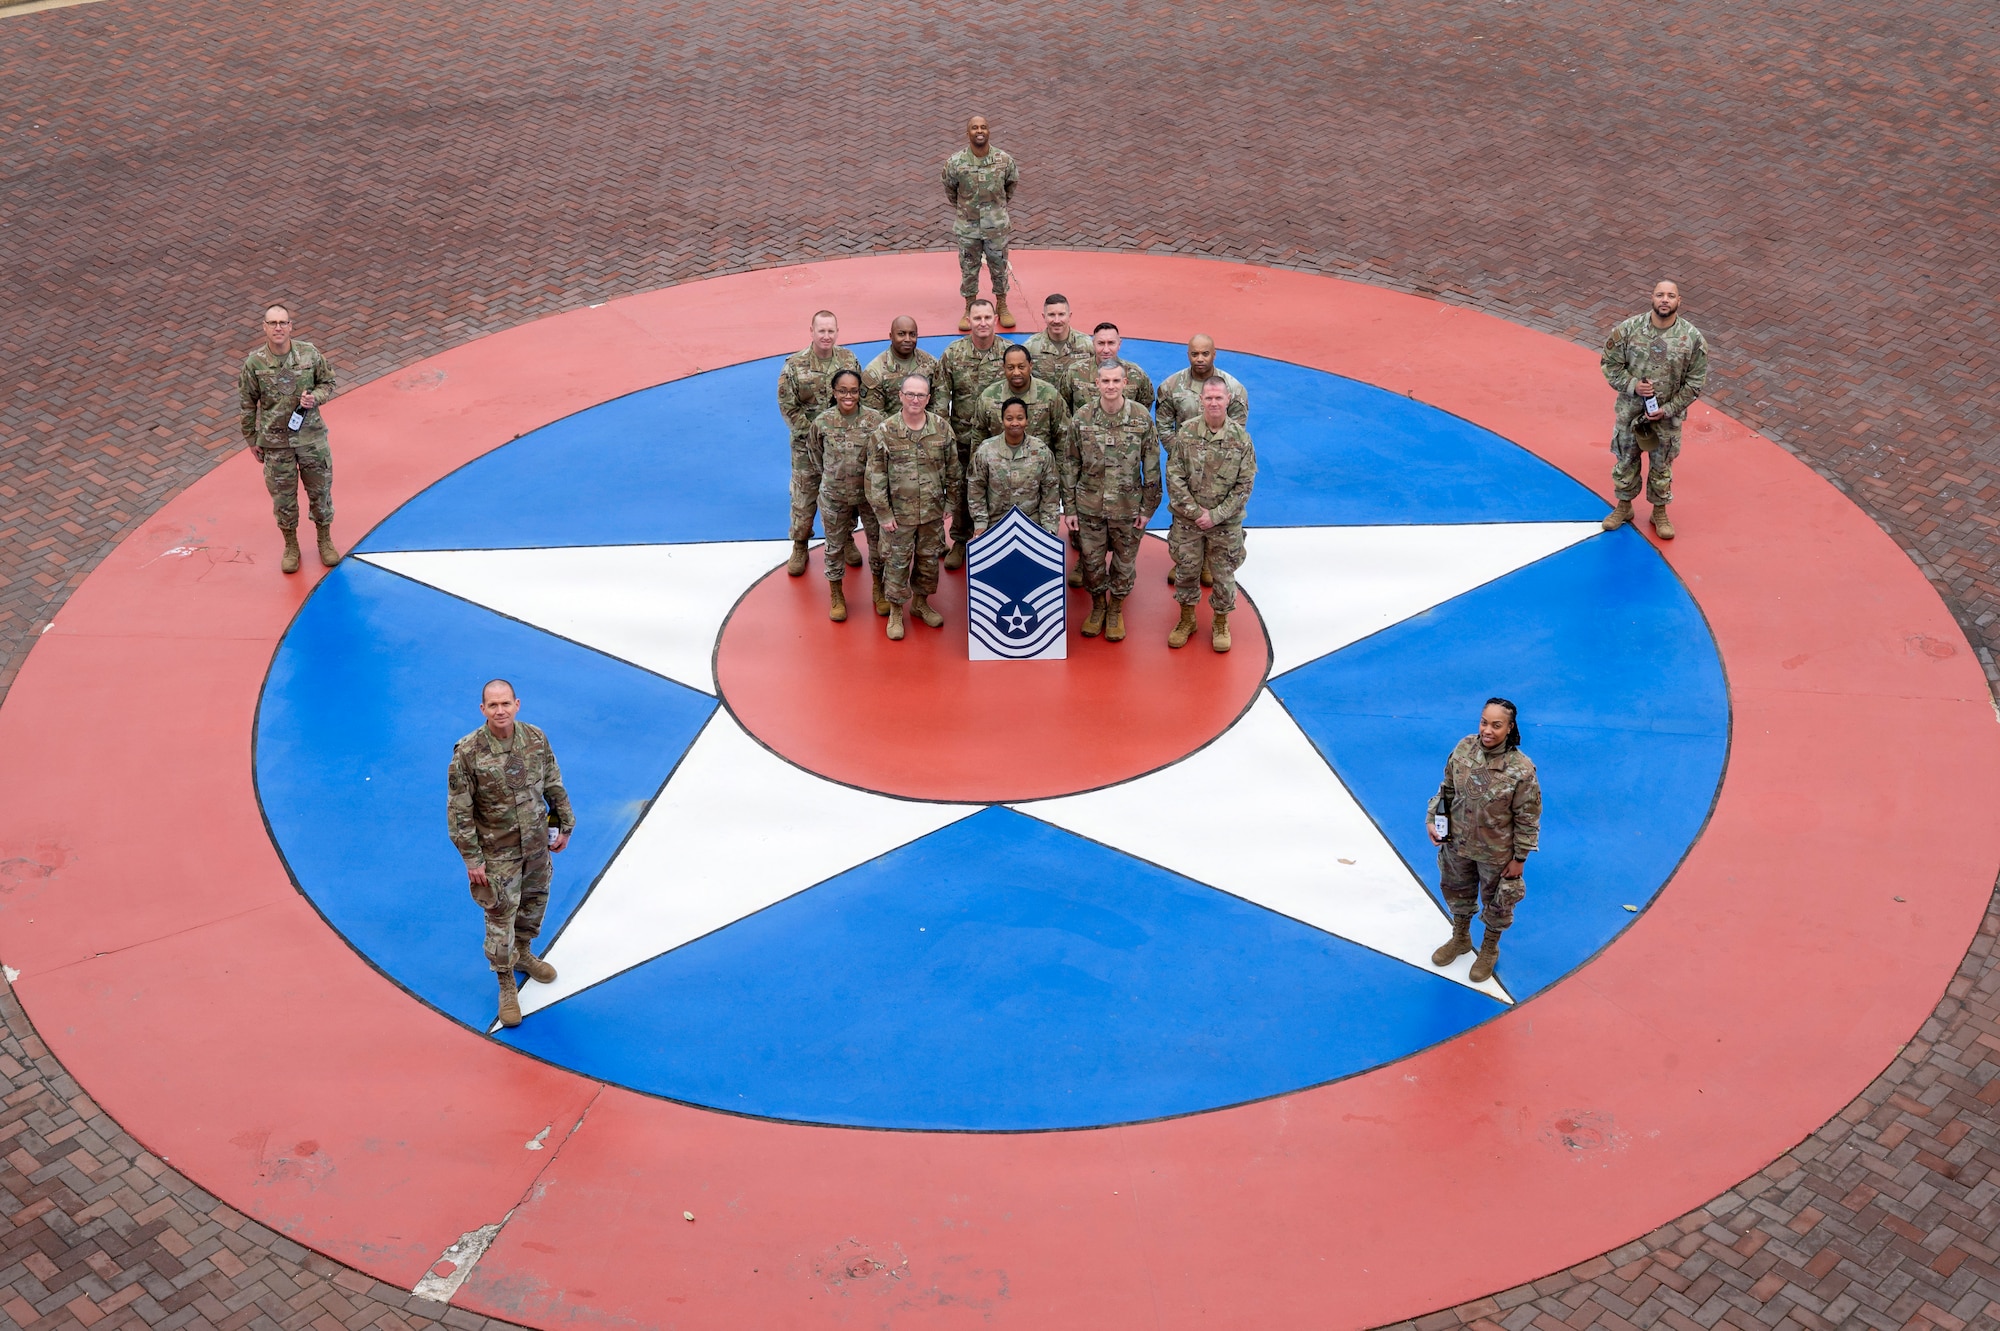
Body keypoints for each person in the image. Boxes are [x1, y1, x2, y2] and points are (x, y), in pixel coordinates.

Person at [447, 680, 576, 1029]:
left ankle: (523, 954)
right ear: (483, 710)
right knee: (500, 916)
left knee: (534, 903)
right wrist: (472, 858)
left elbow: (552, 783)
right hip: (497, 852)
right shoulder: (468, 753)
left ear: (517, 704)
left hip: (535, 845)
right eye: (493, 705)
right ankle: (505, 979)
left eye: (506, 703)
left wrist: (564, 824)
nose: (500, 710)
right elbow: (460, 810)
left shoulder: (535, 738)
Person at [1427, 698, 1541, 985]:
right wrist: (1433, 818)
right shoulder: (1465, 747)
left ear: (1510, 728)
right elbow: (1447, 788)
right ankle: (1461, 938)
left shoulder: (1521, 769)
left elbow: (1528, 816)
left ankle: (1489, 948)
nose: (1487, 730)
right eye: (1484, 722)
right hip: (1457, 843)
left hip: (1496, 852)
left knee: (1498, 902)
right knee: (1456, 891)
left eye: (1496, 725)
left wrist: (1519, 859)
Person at [1598, 280, 1709, 540]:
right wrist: (1632, 385)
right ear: (1652, 298)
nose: (1665, 300)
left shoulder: (1692, 339)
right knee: (1625, 462)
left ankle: (1659, 512)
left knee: (1662, 467)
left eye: (1671, 296)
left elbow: (1695, 383)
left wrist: (1669, 409)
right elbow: (1609, 364)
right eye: (1660, 295)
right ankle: (1624, 507)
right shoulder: (1628, 330)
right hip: (1630, 414)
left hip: (1665, 420)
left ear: (1679, 302)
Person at [238, 303, 340, 574]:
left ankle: (324, 539)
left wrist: (314, 398)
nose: (278, 328)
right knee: (283, 499)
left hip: (310, 439)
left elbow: (328, 382)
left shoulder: (309, 353)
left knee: (320, 492)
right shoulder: (255, 363)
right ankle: (291, 546)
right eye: (272, 323)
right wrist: (251, 438)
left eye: (283, 322)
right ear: (264, 328)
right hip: (276, 444)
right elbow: (247, 404)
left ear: (291, 326)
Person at [1062, 362, 1160, 642]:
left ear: (1125, 382)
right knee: (1091, 564)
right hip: (1089, 506)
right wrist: (1069, 507)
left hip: (1128, 508)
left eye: (1116, 381)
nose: (1111, 386)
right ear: (1097, 383)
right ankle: (1098, 607)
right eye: (1105, 381)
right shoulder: (1081, 417)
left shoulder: (1141, 418)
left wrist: (1148, 508)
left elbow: (1151, 466)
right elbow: (1070, 463)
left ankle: (1116, 609)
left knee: (1124, 564)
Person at [867, 375, 962, 640]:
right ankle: (896, 610)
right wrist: (883, 513)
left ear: (929, 399)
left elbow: (954, 469)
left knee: (928, 561)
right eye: (910, 394)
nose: (915, 400)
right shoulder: (885, 431)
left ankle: (921, 603)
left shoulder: (942, 429)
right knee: (897, 564)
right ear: (900, 396)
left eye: (921, 395)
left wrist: (951, 502)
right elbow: (874, 477)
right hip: (899, 516)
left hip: (932, 513)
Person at [1165, 380, 1256, 652]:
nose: (1214, 402)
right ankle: (1187, 619)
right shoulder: (1186, 433)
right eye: (1209, 398)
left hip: (1225, 524)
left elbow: (1245, 484)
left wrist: (1215, 515)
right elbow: (1174, 476)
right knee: (1186, 571)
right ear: (1201, 400)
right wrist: (1195, 513)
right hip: (1188, 521)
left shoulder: (1241, 440)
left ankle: (1220, 622)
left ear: (1228, 399)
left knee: (1224, 574)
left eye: (1218, 397)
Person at [1155, 334, 1249, 586]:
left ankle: (1209, 562)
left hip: (1222, 467)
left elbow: (1237, 428)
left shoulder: (1233, 388)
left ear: (1214, 354)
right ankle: (1186, 561)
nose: (1200, 358)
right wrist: (1182, 453)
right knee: (1183, 511)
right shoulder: (1171, 385)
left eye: (1205, 353)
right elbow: (1163, 423)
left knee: (1216, 513)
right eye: (1194, 353)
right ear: (1188, 355)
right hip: (1185, 464)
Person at [776, 310, 862, 575]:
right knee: (804, 497)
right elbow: (788, 406)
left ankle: (846, 537)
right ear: (811, 331)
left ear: (837, 332)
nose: (826, 336)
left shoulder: (848, 360)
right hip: (806, 446)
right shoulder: (794, 366)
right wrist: (814, 434)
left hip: (841, 446)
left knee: (845, 495)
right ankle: (800, 543)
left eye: (831, 331)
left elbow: (859, 397)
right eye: (821, 331)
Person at [937, 299, 1012, 570]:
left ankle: (996, 539)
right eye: (977, 317)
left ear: (995, 319)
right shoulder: (953, 354)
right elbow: (941, 398)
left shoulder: (1008, 353)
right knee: (961, 489)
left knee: (999, 488)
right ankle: (960, 540)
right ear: (968, 320)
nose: (982, 323)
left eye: (987, 317)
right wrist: (945, 437)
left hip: (999, 438)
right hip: (962, 437)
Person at [813, 369, 888, 621]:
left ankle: (879, 589)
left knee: (877, 544)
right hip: (834, 496)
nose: (848, 395)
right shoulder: (822, 422)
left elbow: (883, 457)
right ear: (834, 392)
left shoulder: (875, 420)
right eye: (842, 390)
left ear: (860, 393)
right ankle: (837, 595)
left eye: (853, 391)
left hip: (869, 496)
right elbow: (815, 457)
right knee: (834, 547)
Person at [941, 116, 1019, 330]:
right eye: (974, 128)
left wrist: (998, 207)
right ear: (968, 133)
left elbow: (1011, 185)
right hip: (968, 228)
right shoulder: (955, 163)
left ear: (989, 131)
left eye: (983, 127)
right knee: (968, 269)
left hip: (996, 227)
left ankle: (1002, 305)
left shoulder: (1003, 160)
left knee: (999, 267)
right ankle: (970, 307)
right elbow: (950, 189)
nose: (979, 131)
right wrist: (964, 209)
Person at [969, 398, 1062, 536]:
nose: (1014, 423)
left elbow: (1051, 491)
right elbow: (976, 488)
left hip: (1032, 523)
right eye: (1009, 418)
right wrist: (980, 524)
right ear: (1002, 421)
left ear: (1027, 420)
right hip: (995, 524)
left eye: (1020, 418)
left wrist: (1049, 527)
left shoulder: (1041, 450)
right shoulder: (986, 450)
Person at [976, 344, 1069, 448]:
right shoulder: (988, 397)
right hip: (999, 462)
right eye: (1010, 368)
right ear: (1004, 368)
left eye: (1021, 367)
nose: (1016, 372)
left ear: (1030, 365)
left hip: (1039, 461)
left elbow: (1063, 438)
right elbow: (978, 438)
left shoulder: (1050, 395)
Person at [1064, 322, 1154, 415]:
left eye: (1111, 343)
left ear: (1119, 344)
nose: (1106, 350)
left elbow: (1144, 407)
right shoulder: (1074, 372)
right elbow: (1063, 405)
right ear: (1093, 344)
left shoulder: (1136, 374)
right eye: (1101, 343)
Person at [861, 316, 941, 415]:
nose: (907, 339)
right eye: (901, 334)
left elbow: (938, 403)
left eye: (912, 334)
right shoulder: (874, 372)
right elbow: (874, 416)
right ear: (891, 336)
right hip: (890, 428)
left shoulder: (931, 363)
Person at [1024, 293, 1094, 397]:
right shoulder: (1030, 347)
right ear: (1044, 317)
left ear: (1069, 316)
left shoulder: (1087, 345)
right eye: (1051, 315)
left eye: (1061, 314)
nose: (1057, 320)